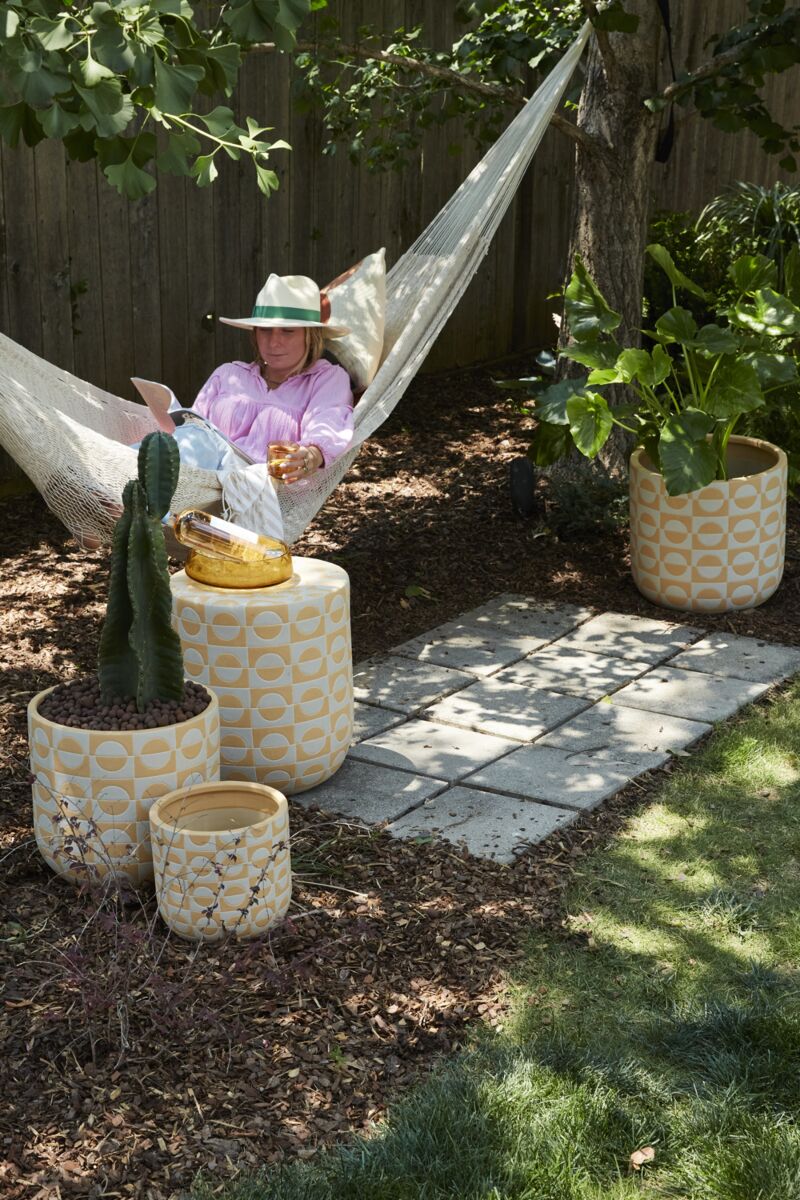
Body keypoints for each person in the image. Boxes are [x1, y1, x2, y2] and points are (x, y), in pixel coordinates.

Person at [181, 273, 354, 484]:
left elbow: (328, 422)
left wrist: (311, 455)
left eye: (287, 331)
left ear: (310, 336)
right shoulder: (228, 374)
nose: (273, 342)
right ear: (255, 334)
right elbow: (191, 430)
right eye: (265, 330)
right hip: (197, 482)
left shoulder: (326, 379)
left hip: (266, 491)